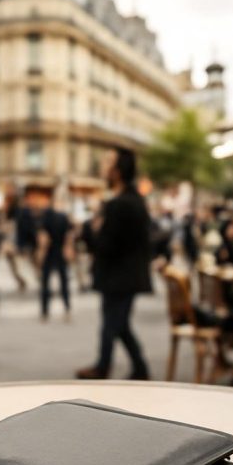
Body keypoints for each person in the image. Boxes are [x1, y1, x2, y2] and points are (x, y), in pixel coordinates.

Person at [76, 149, 153, 381]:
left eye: (108, 161)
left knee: (112, 324)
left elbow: (106, 246)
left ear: (118, 170)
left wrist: (89, 229)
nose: (102, 164)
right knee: (119, 324)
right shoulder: (130, 200)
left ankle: (103, 367)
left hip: (121, 276)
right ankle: (139, 368)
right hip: (124, 275)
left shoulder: (121, 204)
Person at [37, 202, 74, 321]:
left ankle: (44, 311)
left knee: (45, 282)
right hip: (60, 251)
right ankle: (67, 309)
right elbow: (69, 235)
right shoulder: (63, 217)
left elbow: (43, 238)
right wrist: (68, 248)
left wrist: (41, 253)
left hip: (50, 252)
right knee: (64, 282)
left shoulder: (45, 218)